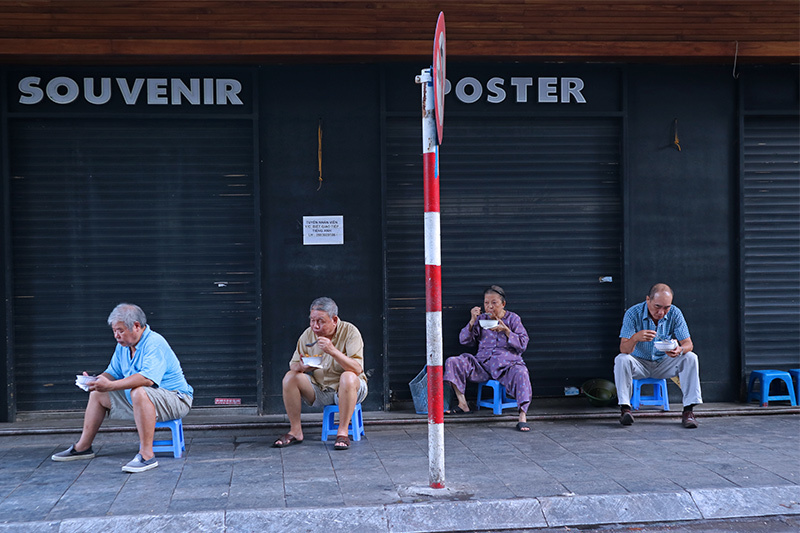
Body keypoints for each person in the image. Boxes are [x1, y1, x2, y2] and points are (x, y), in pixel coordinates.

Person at [51, 303, 193, 472]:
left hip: (176, 399)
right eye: (114, 331)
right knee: (97, 394)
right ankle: (83, 447)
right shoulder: (123, 347)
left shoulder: (154, 343)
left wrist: (110, 385)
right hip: (142, 399)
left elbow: (147, 379)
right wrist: (96, 381)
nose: (116, 335)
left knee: (139, 390)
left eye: (120, 330)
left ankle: (147, 455)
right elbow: (112, 372)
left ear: (137, 326)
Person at [273, 297, 368, 450]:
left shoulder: (350, 332)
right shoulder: (308, 335)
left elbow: (357, 369)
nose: (315, 326)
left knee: (348, 376)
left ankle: (342, 432)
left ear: (334, 320)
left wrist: (332, 351)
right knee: (290, 377)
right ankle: (296, 431)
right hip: (321, 388)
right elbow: (293, 364)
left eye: (321, 321)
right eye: (312, 320)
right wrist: (302, 367)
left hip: (351, 389)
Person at [443, 285, 533, 431]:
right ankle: (463, 404)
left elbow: (523, 344)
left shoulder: (513, 319)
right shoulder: (481, 319)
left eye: (494, 303)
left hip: (507, 366)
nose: (489, 306)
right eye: (486, 303)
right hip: (482, 365)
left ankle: (522, 416)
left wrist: (506, 331)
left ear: (503, 304)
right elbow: (464, 340)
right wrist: (472, 321)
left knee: (522, 373)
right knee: (453, 361)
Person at [614, 283, 702, 428]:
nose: (661, 312)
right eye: (657, 306)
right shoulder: (633, 313)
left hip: (664, 362)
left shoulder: (675, 313)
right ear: (648, 300)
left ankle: (688, 411)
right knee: (621, 359)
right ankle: (625, 409)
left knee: (691, 357)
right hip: (639, 363)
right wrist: (635, 338)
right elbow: (623, 348)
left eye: (666, 307)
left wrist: (678, 349)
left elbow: (688, 344)